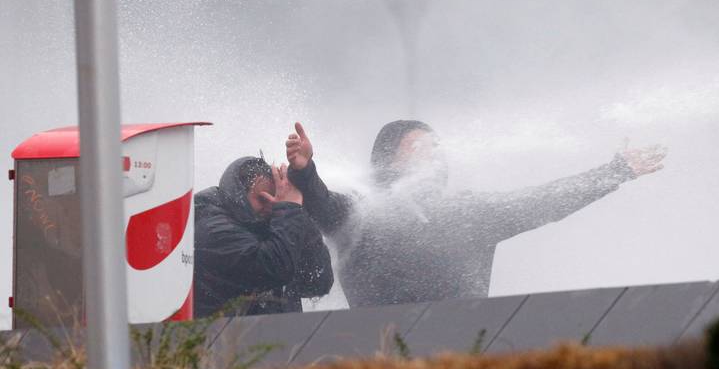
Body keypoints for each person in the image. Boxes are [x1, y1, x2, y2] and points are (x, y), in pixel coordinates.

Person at [285, 121, 666, 309]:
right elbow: (322, 205)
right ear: (387, 157)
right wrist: (305, 170)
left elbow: (545, 200)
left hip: (467, 351)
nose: (435, 153)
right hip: (379, 356)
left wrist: (615, 171)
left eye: (437, 146)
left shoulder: (467, 213)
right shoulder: (363, 213)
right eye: (419, 147)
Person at [193, 156, 333, 317]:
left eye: (276, 199)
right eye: (262, 198)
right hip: (221, 339)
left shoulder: (277, 222)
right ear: (239, 193)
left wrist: (299, 213)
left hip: (275, 337)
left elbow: (318, 281)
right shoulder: (210, 226)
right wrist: (290, 210)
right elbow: (273, 269)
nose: (270, 206)